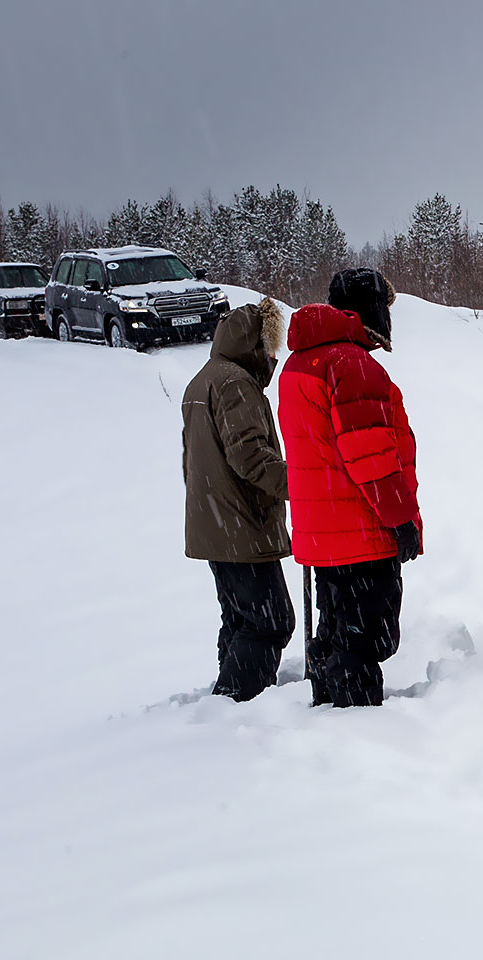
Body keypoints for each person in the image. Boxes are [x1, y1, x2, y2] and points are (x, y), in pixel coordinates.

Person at [279, 267, 422, 707]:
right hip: (360, 533)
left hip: (327, 535)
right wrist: (402, 521)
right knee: (363, 642)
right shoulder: (352, 366)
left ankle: (329, 716)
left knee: (337, 631)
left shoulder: (303, 362)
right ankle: (356, 728)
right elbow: (373, 460)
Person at [182, 297, 295, 701]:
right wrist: (300, 484)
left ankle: (227, 707)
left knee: (240, 619)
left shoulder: (205, 379)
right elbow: (249, 455)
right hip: (242, 526)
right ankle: (235, 701)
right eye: (270, 348)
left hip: (216, 524)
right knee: (271, 622)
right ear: (255, 344)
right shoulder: (235, 384)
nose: (273, 358)